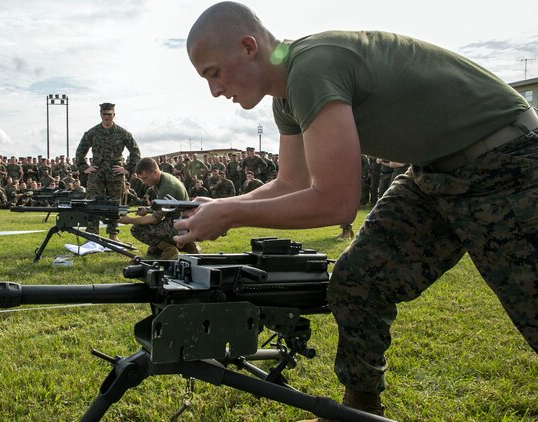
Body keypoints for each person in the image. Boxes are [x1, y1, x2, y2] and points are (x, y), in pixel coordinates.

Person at [181, 2, 538, 420]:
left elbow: (336, 201)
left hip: (507, 164)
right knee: (357, 282)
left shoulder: (310, 68)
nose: (215, 90)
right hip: (434, 174)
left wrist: (229, 216)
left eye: (213, 73)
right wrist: (223, 205)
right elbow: (291, 183)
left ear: (247, 47)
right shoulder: (287, 95)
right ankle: (361, 409)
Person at [75, 102, 141, 241]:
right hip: (97, 174)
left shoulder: (123, 133)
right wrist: (85, 167)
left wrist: (128, 168)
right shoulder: (92, 133)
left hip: (115, 175)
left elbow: (135, 151)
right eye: (104, 114)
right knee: (92, 204)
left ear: (114, 115)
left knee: (115, 204)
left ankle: (113, 234)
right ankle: (92, 234)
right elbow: (80, 152)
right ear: (100, 115)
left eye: (109, 115)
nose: (107, 117)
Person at [118, 157, 199, 260]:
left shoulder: (167, 187)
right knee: (153, 252)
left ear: (155, 172)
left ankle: (171, 249)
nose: (143, 182)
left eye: (145, 178)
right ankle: (188, 245)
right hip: (179, 221)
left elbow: (155, 218)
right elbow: (165, 207)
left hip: (179, 224)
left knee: (137, 229)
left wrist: (129, 220)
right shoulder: (161, 180)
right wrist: (148, 210)